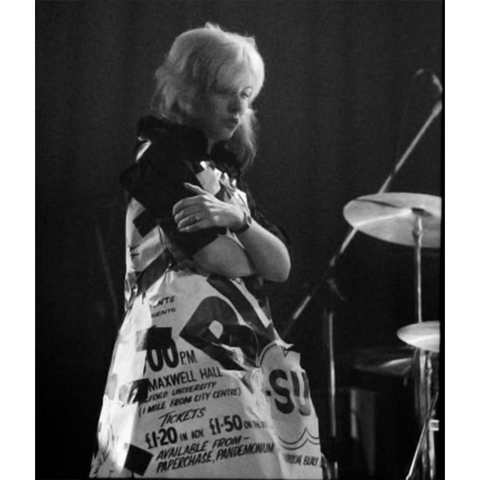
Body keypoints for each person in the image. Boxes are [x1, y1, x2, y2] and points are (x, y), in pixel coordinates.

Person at [90, 23, 324, 478]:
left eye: (246, 95)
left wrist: (240, 220)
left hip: (233, 360)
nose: (239, 108)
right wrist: (243, 244)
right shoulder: (159, 156)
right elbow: (216, 258)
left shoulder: (224, 173)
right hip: (175, 361)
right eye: (226, 93)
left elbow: (280, 266)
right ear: (190, 90)